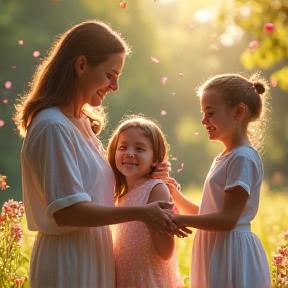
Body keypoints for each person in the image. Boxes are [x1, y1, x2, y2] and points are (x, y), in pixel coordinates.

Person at [13, 20, 178, 288]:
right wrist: (140, 213)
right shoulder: (52, 126)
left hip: (95, 254)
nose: (115, 87)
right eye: (110, 74)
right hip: (69, 261)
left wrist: (148, 178)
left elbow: (96, 193)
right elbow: (68, 211)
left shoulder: (81, 124)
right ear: (81, 65)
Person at [168, 73, 272, 288]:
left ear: (239, 112)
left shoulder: (242, 158)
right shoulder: (225, 157)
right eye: (203, 113)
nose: (204, 121)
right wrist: (174, 194)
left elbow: (227, 220)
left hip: (231, 253)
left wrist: (181, 220)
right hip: (218, 248)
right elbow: (209, 212)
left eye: (210, 113)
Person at [107, 116, 184, 288]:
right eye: (123, 147)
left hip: (150, 281)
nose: (129, 153)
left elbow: (166, 252)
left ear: (155, 158)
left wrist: (157, 222)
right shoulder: (119, 194)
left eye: (140, 149)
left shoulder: (155, 188)